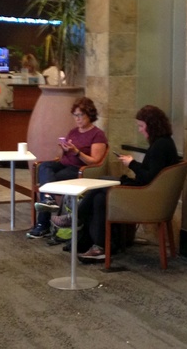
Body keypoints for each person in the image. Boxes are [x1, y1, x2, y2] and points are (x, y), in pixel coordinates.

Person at [77, 105, 180, 261]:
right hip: (149, 192)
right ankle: (100, 245)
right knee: (101, 190)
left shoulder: (160, 146)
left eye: (141, 126)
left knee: (102, 189)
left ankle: (78, 218)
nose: (139, 130)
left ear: (151, 125)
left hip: (146, 196)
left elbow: (148, 177)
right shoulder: (164, 143)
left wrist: (131, 163)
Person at [26, 97, 107, 239]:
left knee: (49, 182)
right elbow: (59, 157)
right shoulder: (73, 132)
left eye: (81, 115)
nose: (77, 119)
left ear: (90, 115)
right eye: (75, 115)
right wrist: (63, 149)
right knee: (44, 166)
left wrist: (77, 152)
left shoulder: (97, 134)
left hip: (79, 169)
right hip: (64, 164)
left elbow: (95, 161)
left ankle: (42, 224)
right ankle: (48, 201)